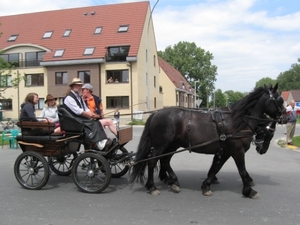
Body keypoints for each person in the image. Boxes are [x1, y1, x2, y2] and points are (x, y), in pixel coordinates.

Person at [63, 78, 113, 150]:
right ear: (73, 86)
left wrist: (93, 115)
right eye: (78, 85)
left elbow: (86, 108)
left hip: (80, 120)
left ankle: (103, 141)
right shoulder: (69, 98)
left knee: (96, 121)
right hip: (74, 122)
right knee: (94, 123)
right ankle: (101, 144)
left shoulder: (79, 97)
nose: (80, 87)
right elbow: (78, 111)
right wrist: (90, 115)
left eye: (80, 86)